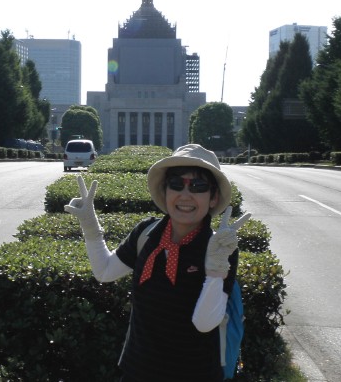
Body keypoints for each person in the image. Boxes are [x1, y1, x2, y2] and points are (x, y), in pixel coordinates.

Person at [65, 144, 250, 381]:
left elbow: (204, 324)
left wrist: (215, 270)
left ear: (213, 198)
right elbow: (105, 271)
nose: (185, 195)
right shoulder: (146, 234)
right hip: (136, 372)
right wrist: (90, 227)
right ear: (165, 191)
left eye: (198, 186)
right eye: (176, 184)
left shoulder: (221, 249)